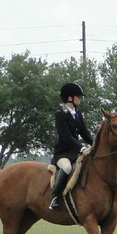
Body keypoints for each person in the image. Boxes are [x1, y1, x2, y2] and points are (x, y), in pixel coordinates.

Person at [50, 82, 93, 211]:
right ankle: (55, 197)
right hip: (63, 153)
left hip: (76, 152)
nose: (80, 99)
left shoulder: (78, 114)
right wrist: (81, 148)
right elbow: (66, 137)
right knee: (67, 168)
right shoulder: (60, 114)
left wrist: (94, 144)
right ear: (70, 98)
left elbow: (84, 132)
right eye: (78, 96)